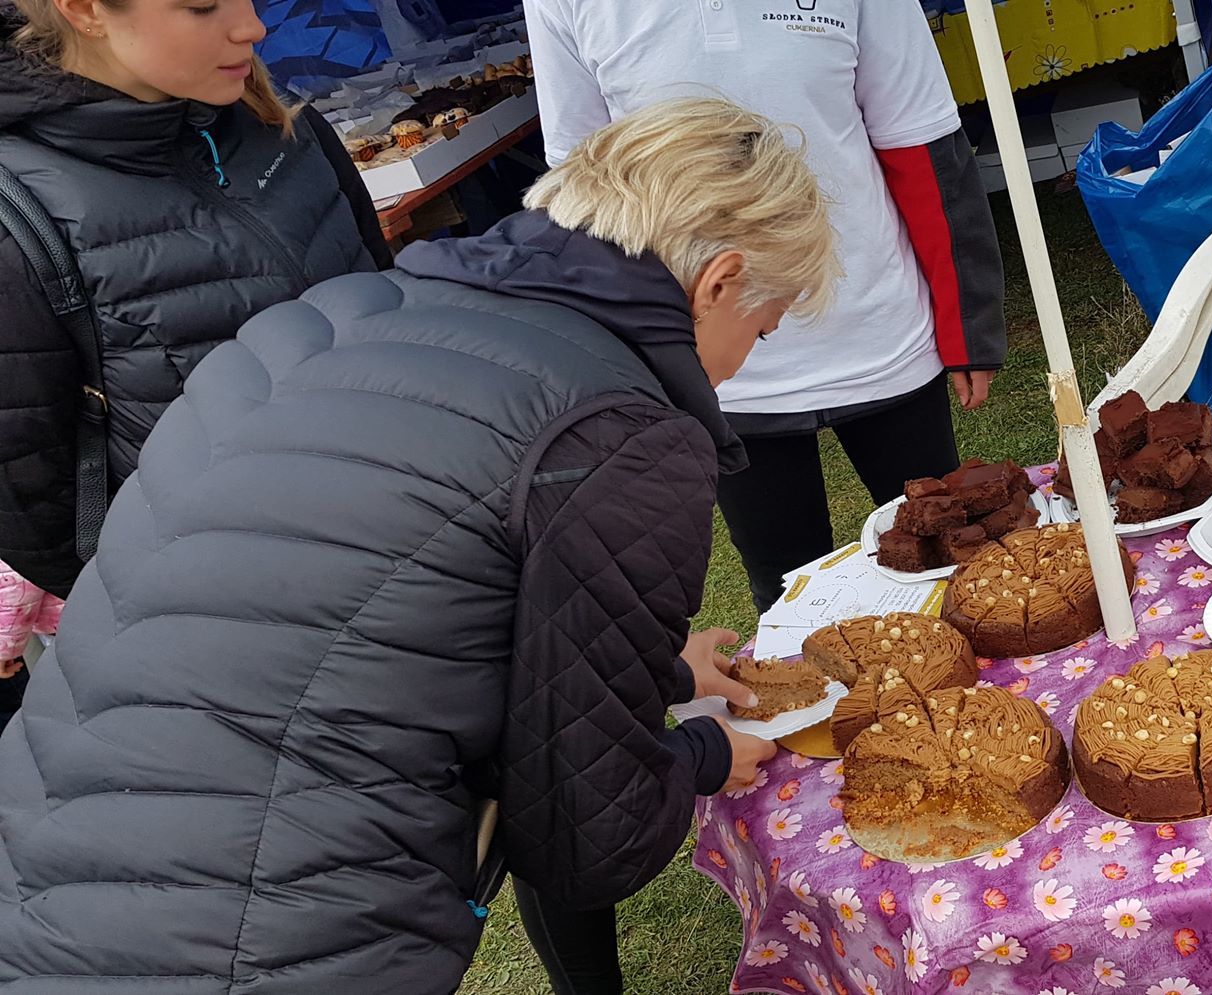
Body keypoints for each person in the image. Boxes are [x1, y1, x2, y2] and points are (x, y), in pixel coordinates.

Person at [0, 98, 813, 993]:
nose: (743, 362)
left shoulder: (319, 322)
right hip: (270, 930)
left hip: (44, 872)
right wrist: (702, 756)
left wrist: (653, 673)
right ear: (720, 281)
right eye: (763, 330)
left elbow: (371, 621)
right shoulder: (622, 435)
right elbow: (589, 832)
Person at [528, 0, 1007, 612]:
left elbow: (922, 145)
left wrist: (967, 324)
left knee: (950, 555)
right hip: (722, 368)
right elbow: (585, 192)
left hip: (879, 325)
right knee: (788, 594)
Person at [0, 0, 392, 602]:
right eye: (203, 5)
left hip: (420, 525)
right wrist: (186, 605)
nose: (253, 26)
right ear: (84, 10)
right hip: (253, 604)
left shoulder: (281, 121)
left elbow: (388, 293)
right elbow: (26, 497)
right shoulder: (18, 214)